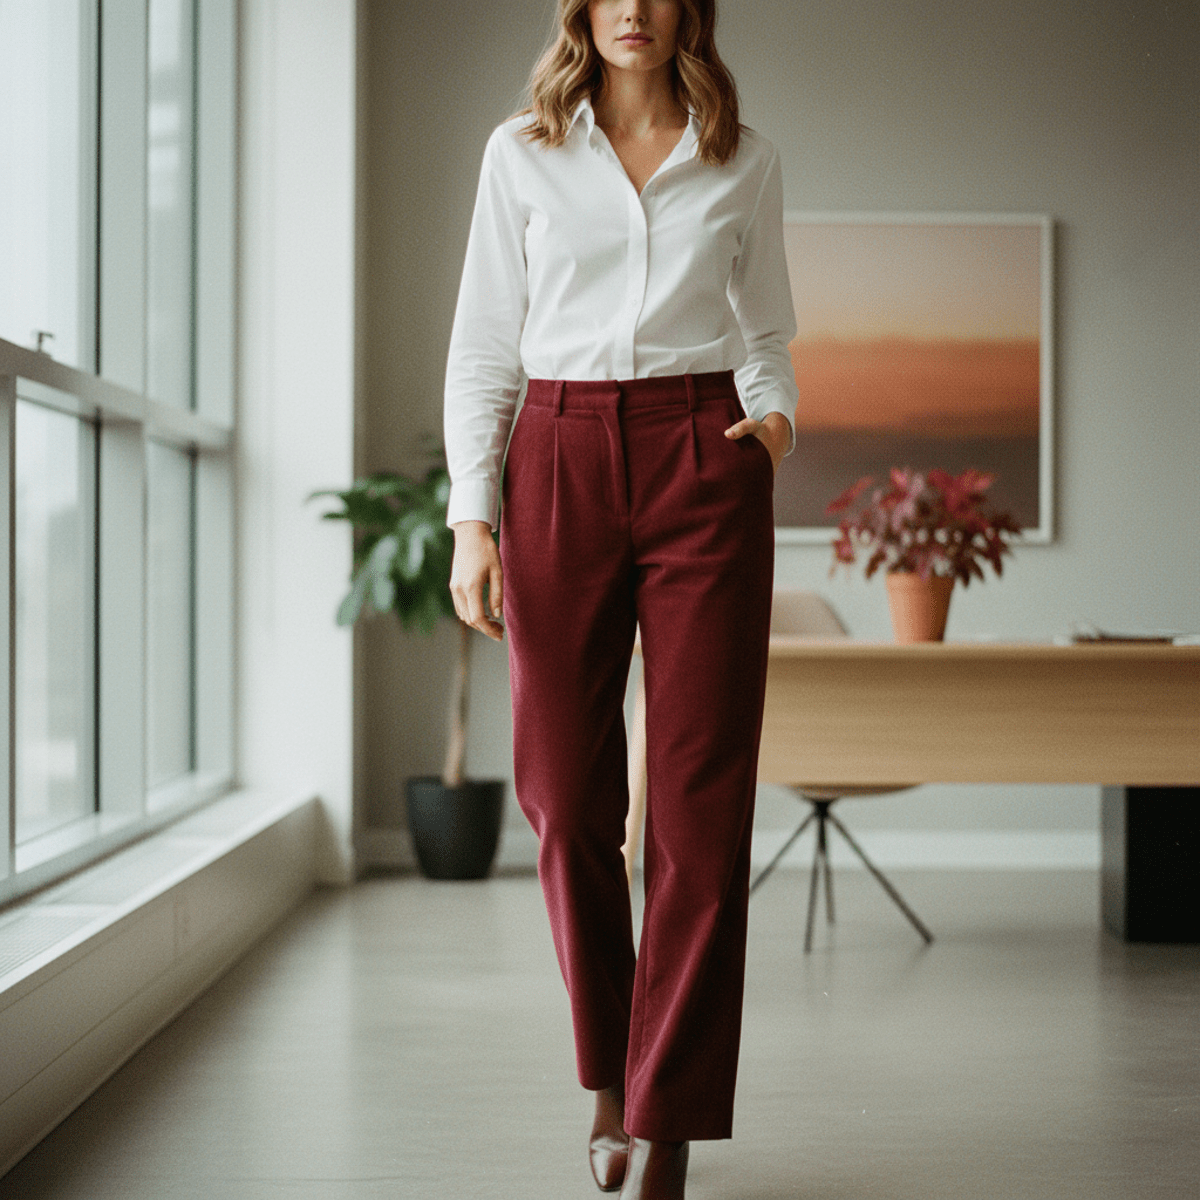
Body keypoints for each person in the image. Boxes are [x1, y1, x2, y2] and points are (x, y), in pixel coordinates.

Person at [444, 1, 797, 1195]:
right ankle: (610, 1076)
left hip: (706, 454)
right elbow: (487, 344)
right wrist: (471, 520)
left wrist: (775, 422)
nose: (633, 9)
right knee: (561, 796)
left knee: (701, 807)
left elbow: (770, 331)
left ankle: (672, 1121)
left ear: (690, 10)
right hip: (555, 454)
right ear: (582, 10)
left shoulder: (741, 158)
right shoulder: (522, 153)